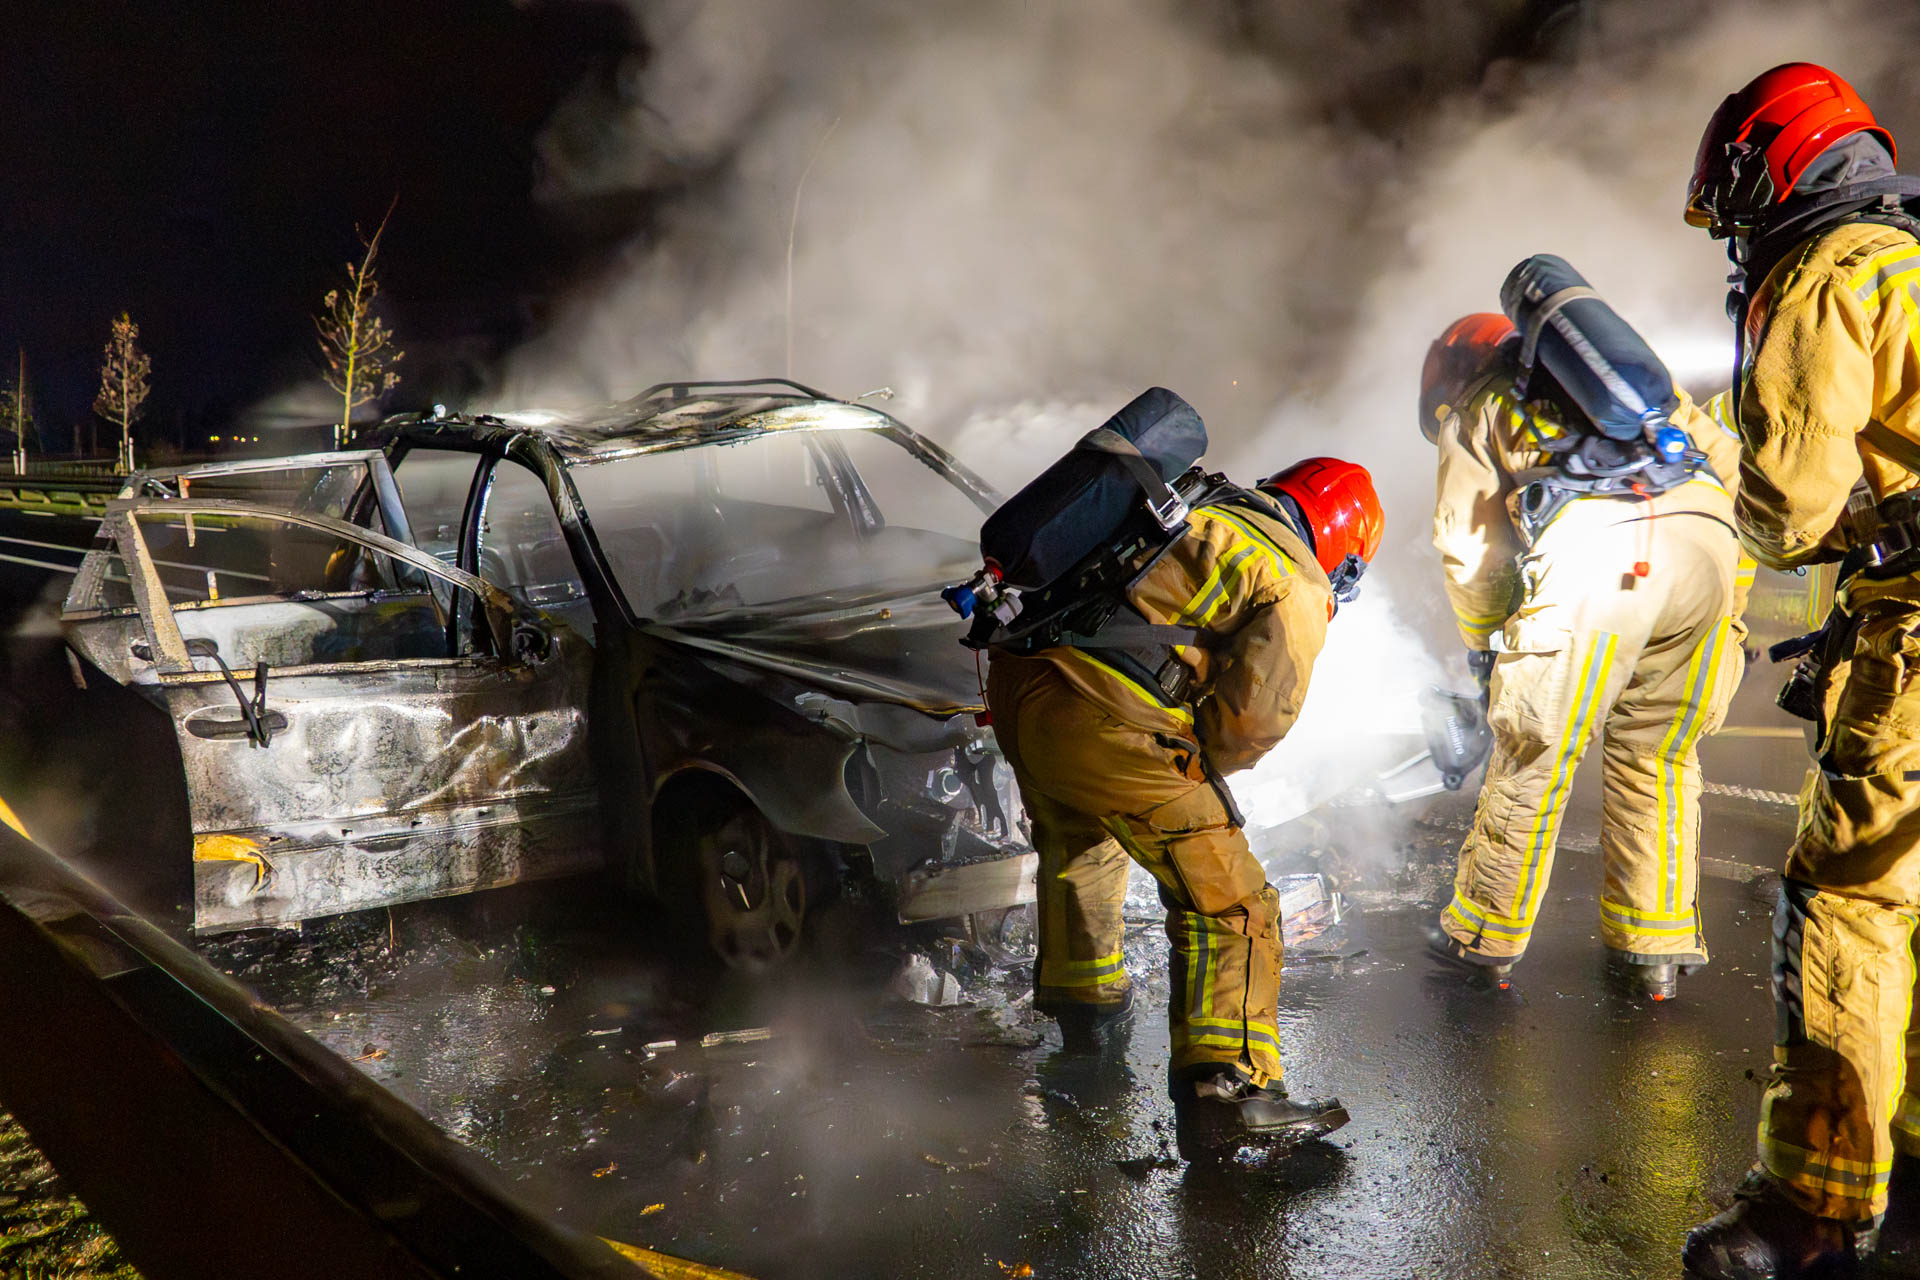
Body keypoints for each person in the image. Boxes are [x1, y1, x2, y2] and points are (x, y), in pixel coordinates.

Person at [1680, 62, 1920, 1279]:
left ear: (1767, 168)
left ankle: (1811, 1209)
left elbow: (1790, 509)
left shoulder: (1834, 272)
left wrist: (1731, 457)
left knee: (1851, 903)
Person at [985, 454, 1382, 1162]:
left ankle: (1088, 1017)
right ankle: (1227, 1093)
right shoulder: (1293, 579)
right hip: (1100, 719)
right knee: (1233, 901)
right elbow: (1251, 722)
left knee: (1082, 842)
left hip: (1021, 685)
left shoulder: (1203, 507)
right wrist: (1194, 778)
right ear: (1344, 551)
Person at [1422, 264, 1747, 1004]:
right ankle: (1652, 948)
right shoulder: (1644, 391)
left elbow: (1469, 548)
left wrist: (1488, 644)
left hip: (1602, 554)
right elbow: (1731, 473)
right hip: (1707, 546)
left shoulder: (1481, 405)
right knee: (1659, 757)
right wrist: (1731, 606)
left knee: (1536, 752)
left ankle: (1482, 939)